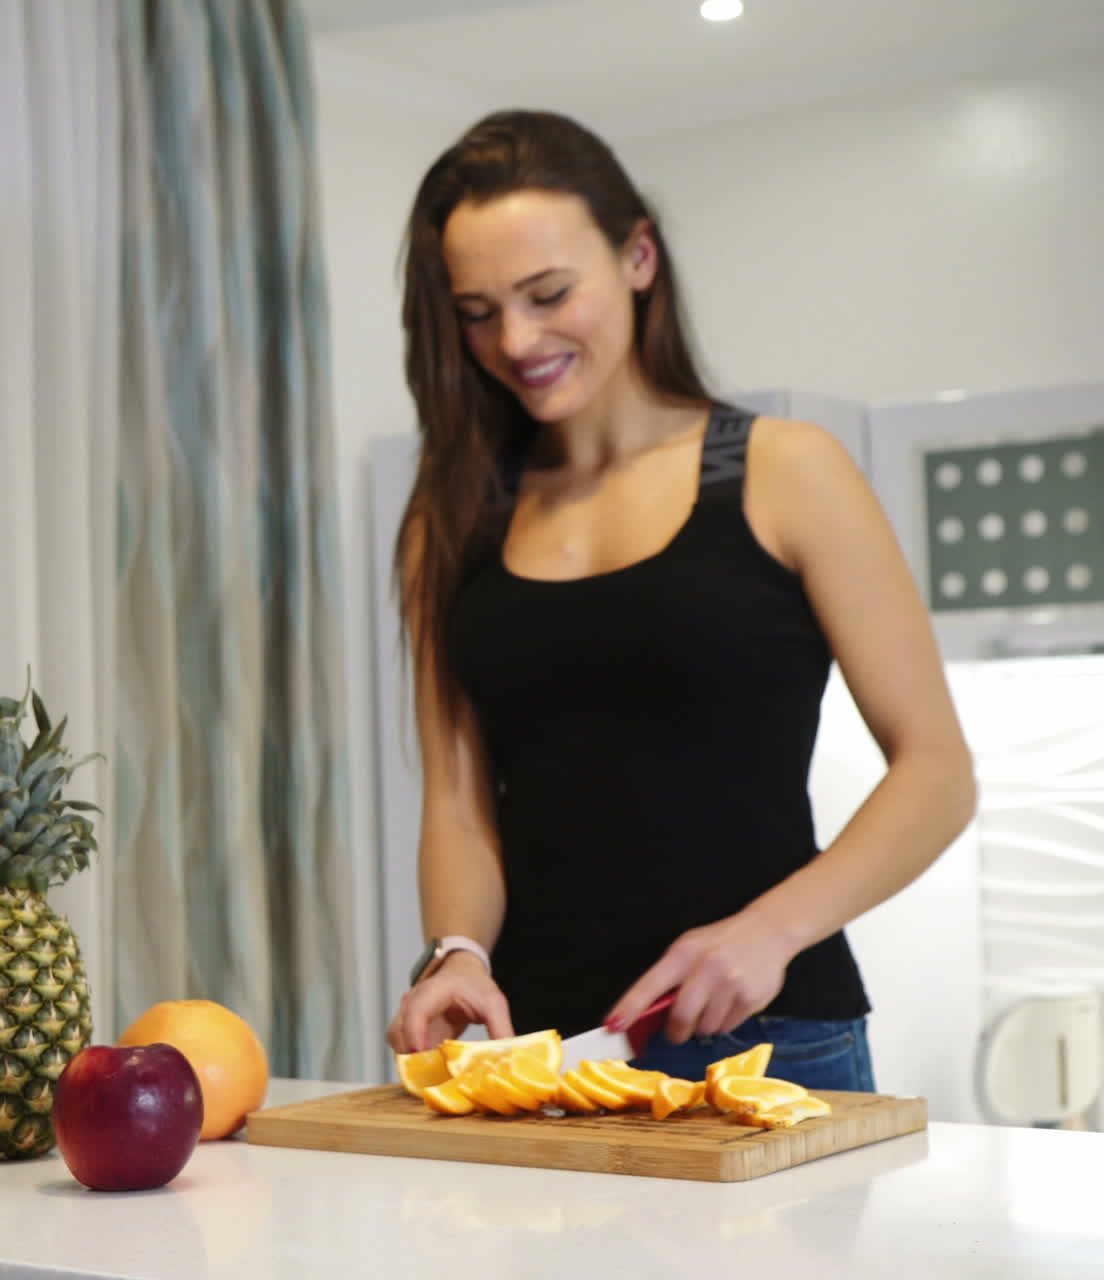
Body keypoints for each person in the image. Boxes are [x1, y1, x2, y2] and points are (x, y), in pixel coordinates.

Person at [384, 109, 976, 1092]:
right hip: (538, 1051)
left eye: (545, 293)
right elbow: (456, 800)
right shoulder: (445, 520)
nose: (515, 339)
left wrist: (769, 930)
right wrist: (456, 952)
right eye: (477, 311)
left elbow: (936, 773)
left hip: (769, 1040)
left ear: (637, 257)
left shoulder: (787, 472)